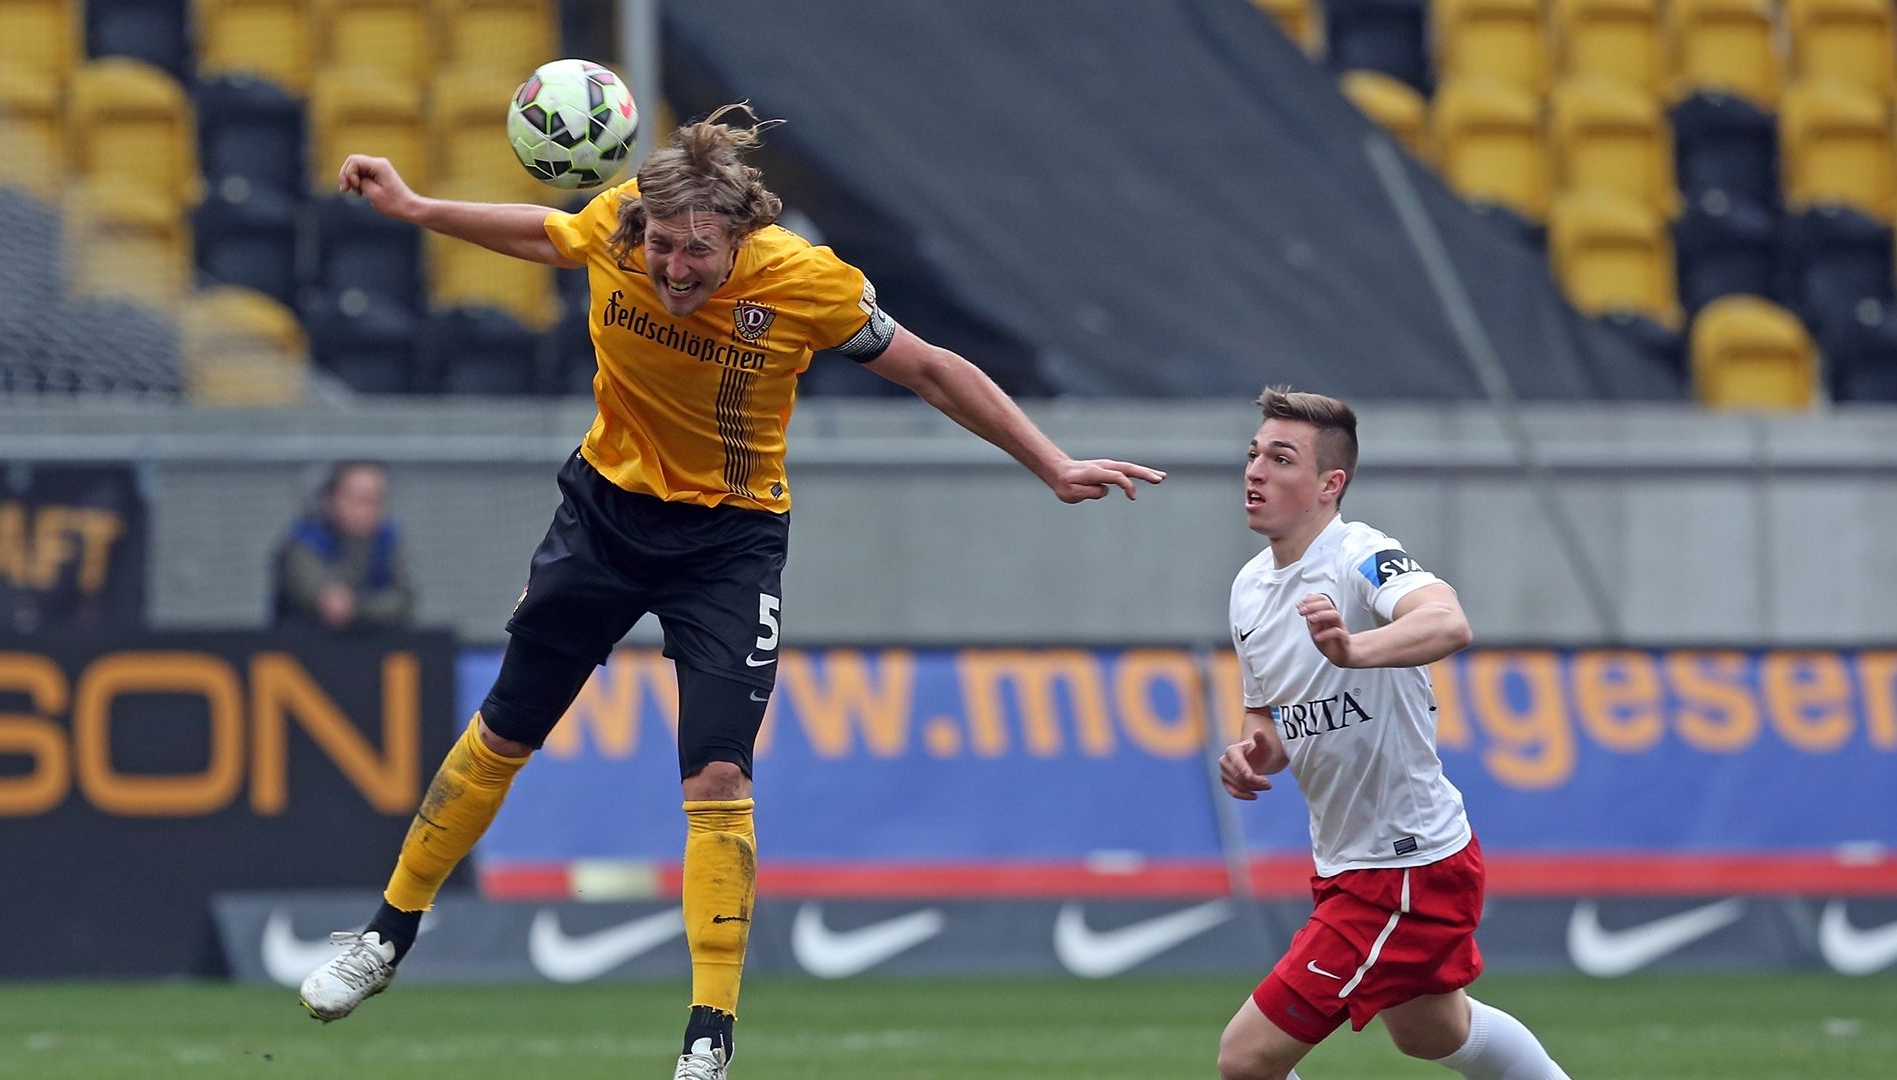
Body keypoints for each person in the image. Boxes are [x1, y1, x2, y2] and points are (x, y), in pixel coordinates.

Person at [296, 104, 1165, 1080]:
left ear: (739, 239)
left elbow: (930, 369)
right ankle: (386, 936)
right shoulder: (618, 222)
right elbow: (547, 233)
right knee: (506, 730)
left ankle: (708, 1039)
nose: (674, 268)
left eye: (696, 252)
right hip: (605, 514)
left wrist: (1051, 462)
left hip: (729, 543)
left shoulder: (804, 281)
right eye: (662, 247)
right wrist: (416, 209)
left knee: (717, 777)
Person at [1216, 388, 1569, 1080]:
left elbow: (1447, 621)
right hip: (1355, 861)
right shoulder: (1250, 589)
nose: (1255, 470)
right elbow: (1267, 714)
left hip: (1402, 868)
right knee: (1434, 1034)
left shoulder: (1360, 554)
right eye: (1254, 454)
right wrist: (1256, 751)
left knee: (1247, 1058)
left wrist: (1355, 649)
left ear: (1330, 484)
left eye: (1280, 458)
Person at [273, 460, 413, 632]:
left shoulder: (388, 540)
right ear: (330, 500)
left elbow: (403, 599)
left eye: (375, 500)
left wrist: (357, 607)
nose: (365, 510)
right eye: (357, 499)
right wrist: (332, 600)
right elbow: (320, 595)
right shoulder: (305, 541)